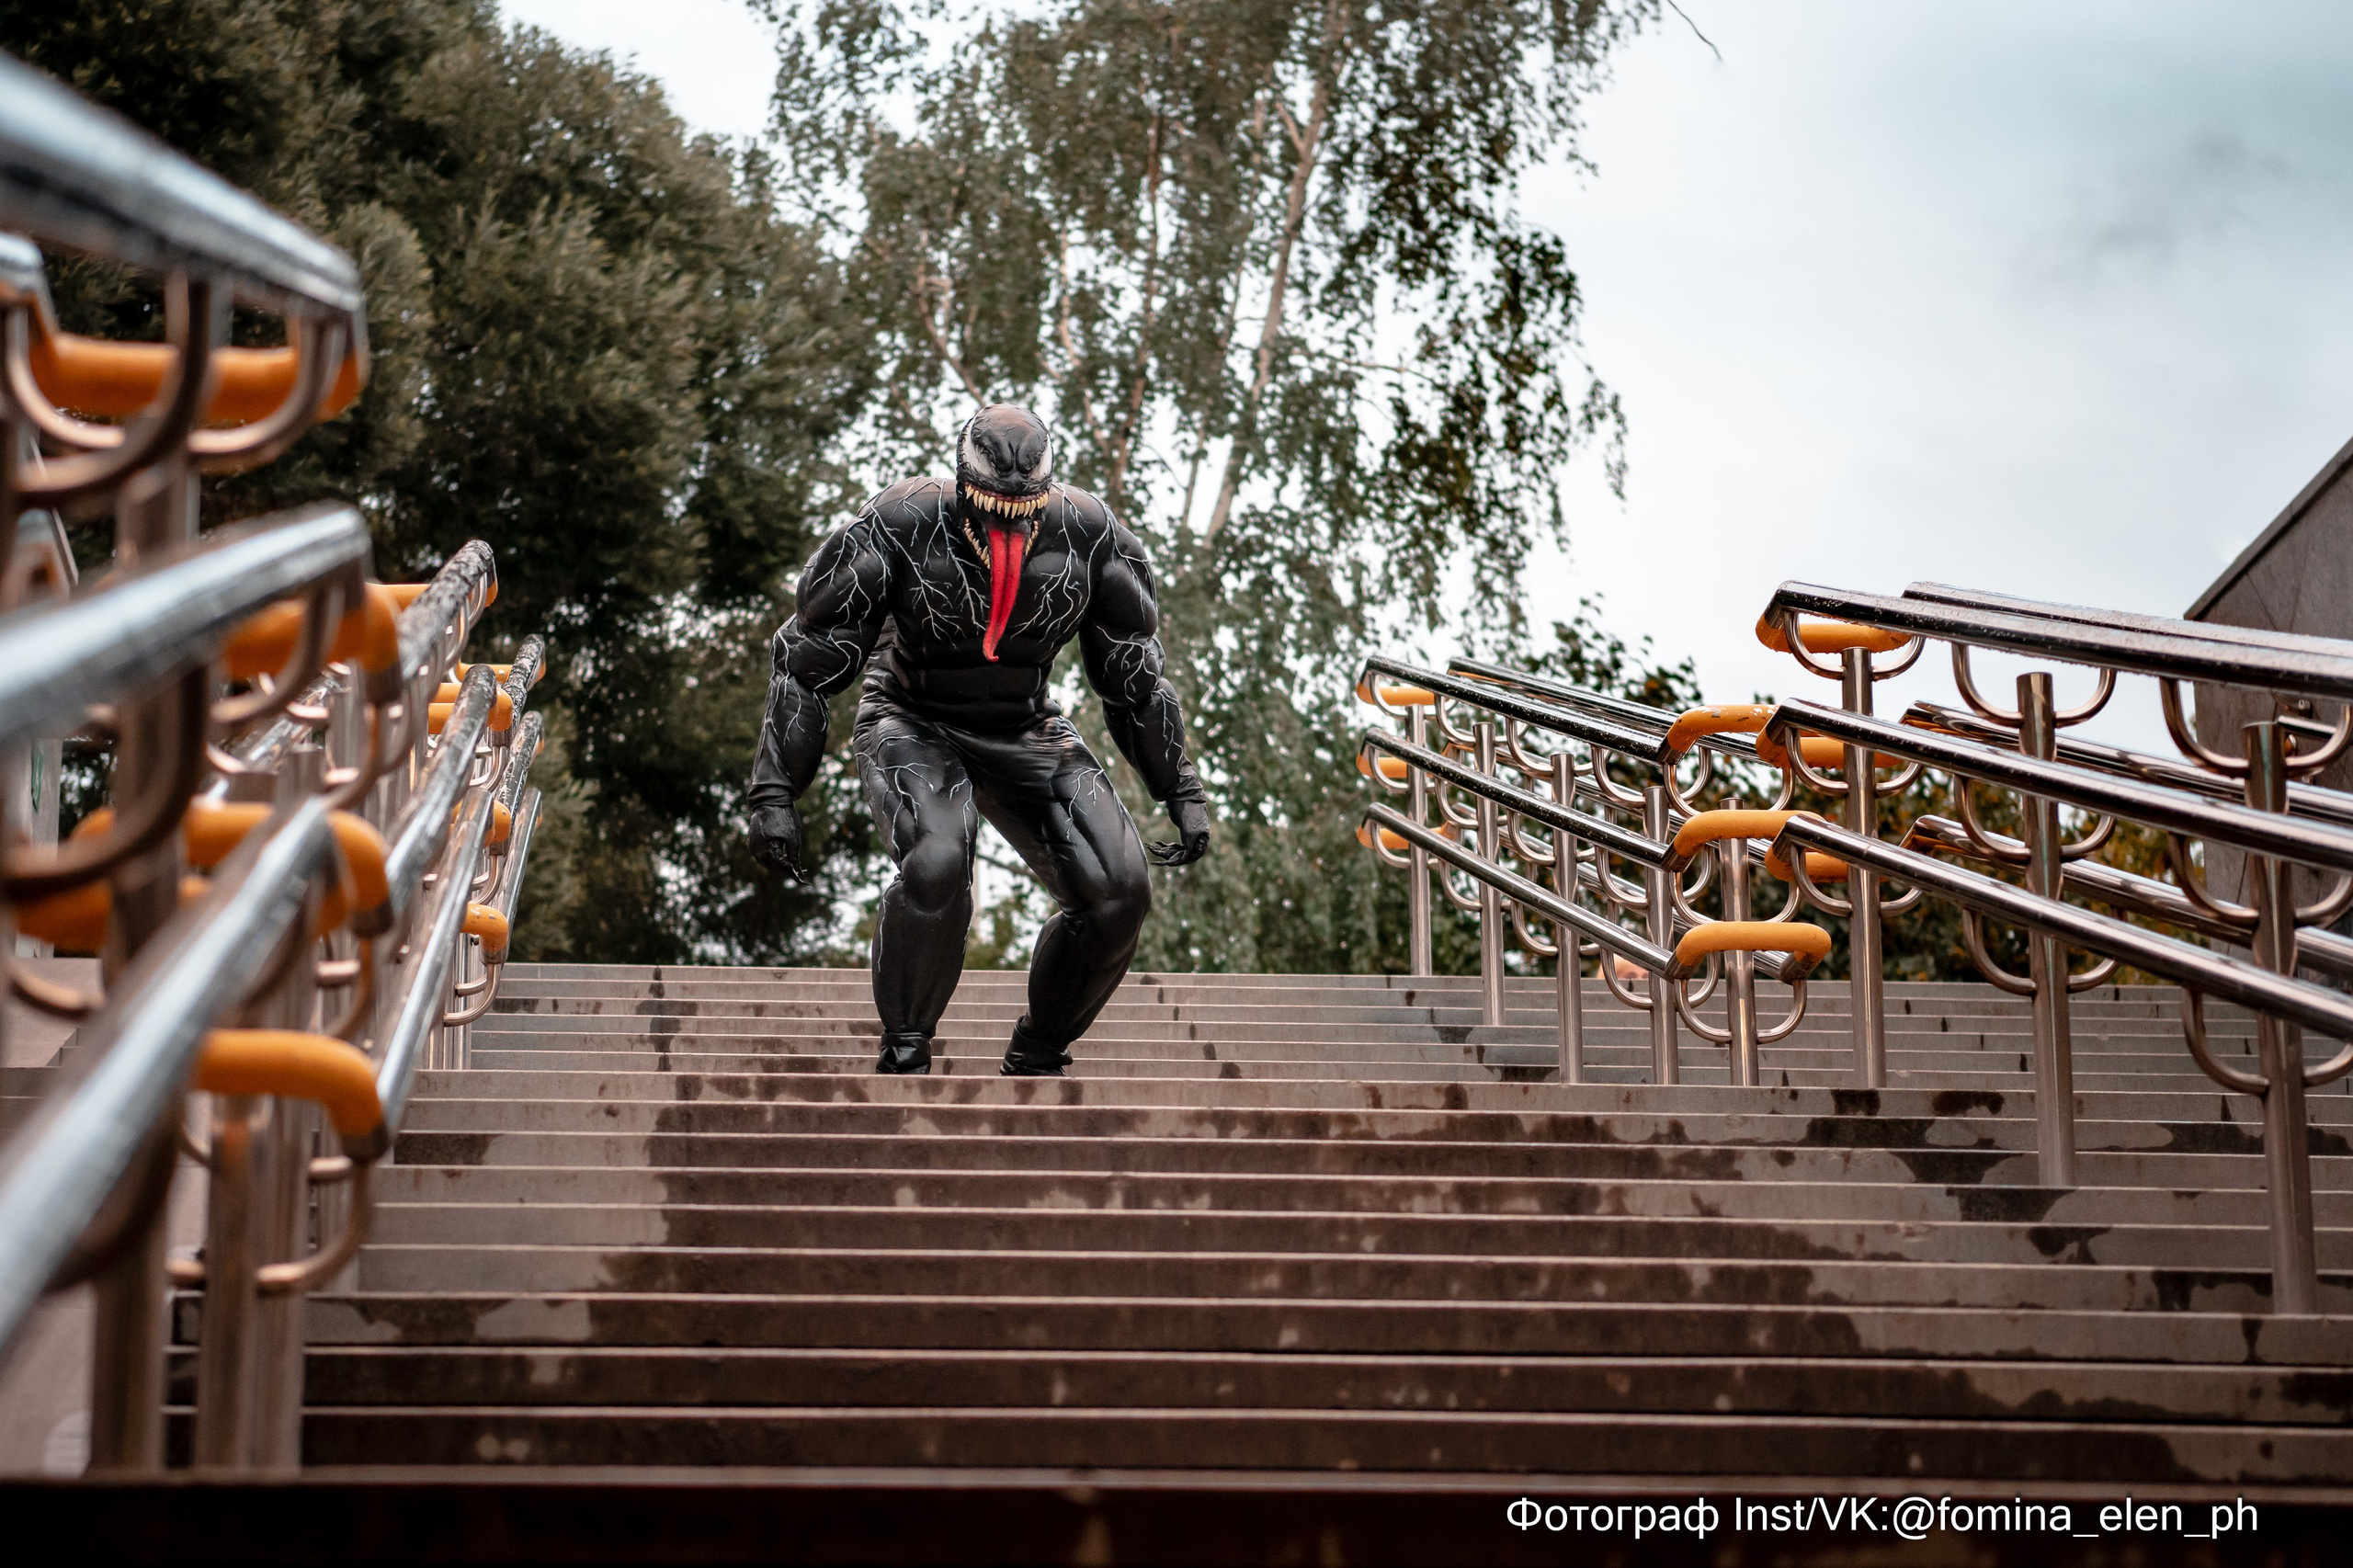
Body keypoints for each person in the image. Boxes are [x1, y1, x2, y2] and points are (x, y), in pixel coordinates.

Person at [746, 404, 1211, 1075]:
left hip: (1024, 723)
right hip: (909, 713)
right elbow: (807, 660)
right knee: (938, 859)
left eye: (1022, 507)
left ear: (1047, 492)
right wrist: (774, 794)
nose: (1005, 520)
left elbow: (1135, 681)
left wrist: (1181, 790)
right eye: (991, 503)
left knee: (1121, 890)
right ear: (962, 481)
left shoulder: (1091, 536)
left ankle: (1041, 1048)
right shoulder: (900, 522)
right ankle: (906, 1044)